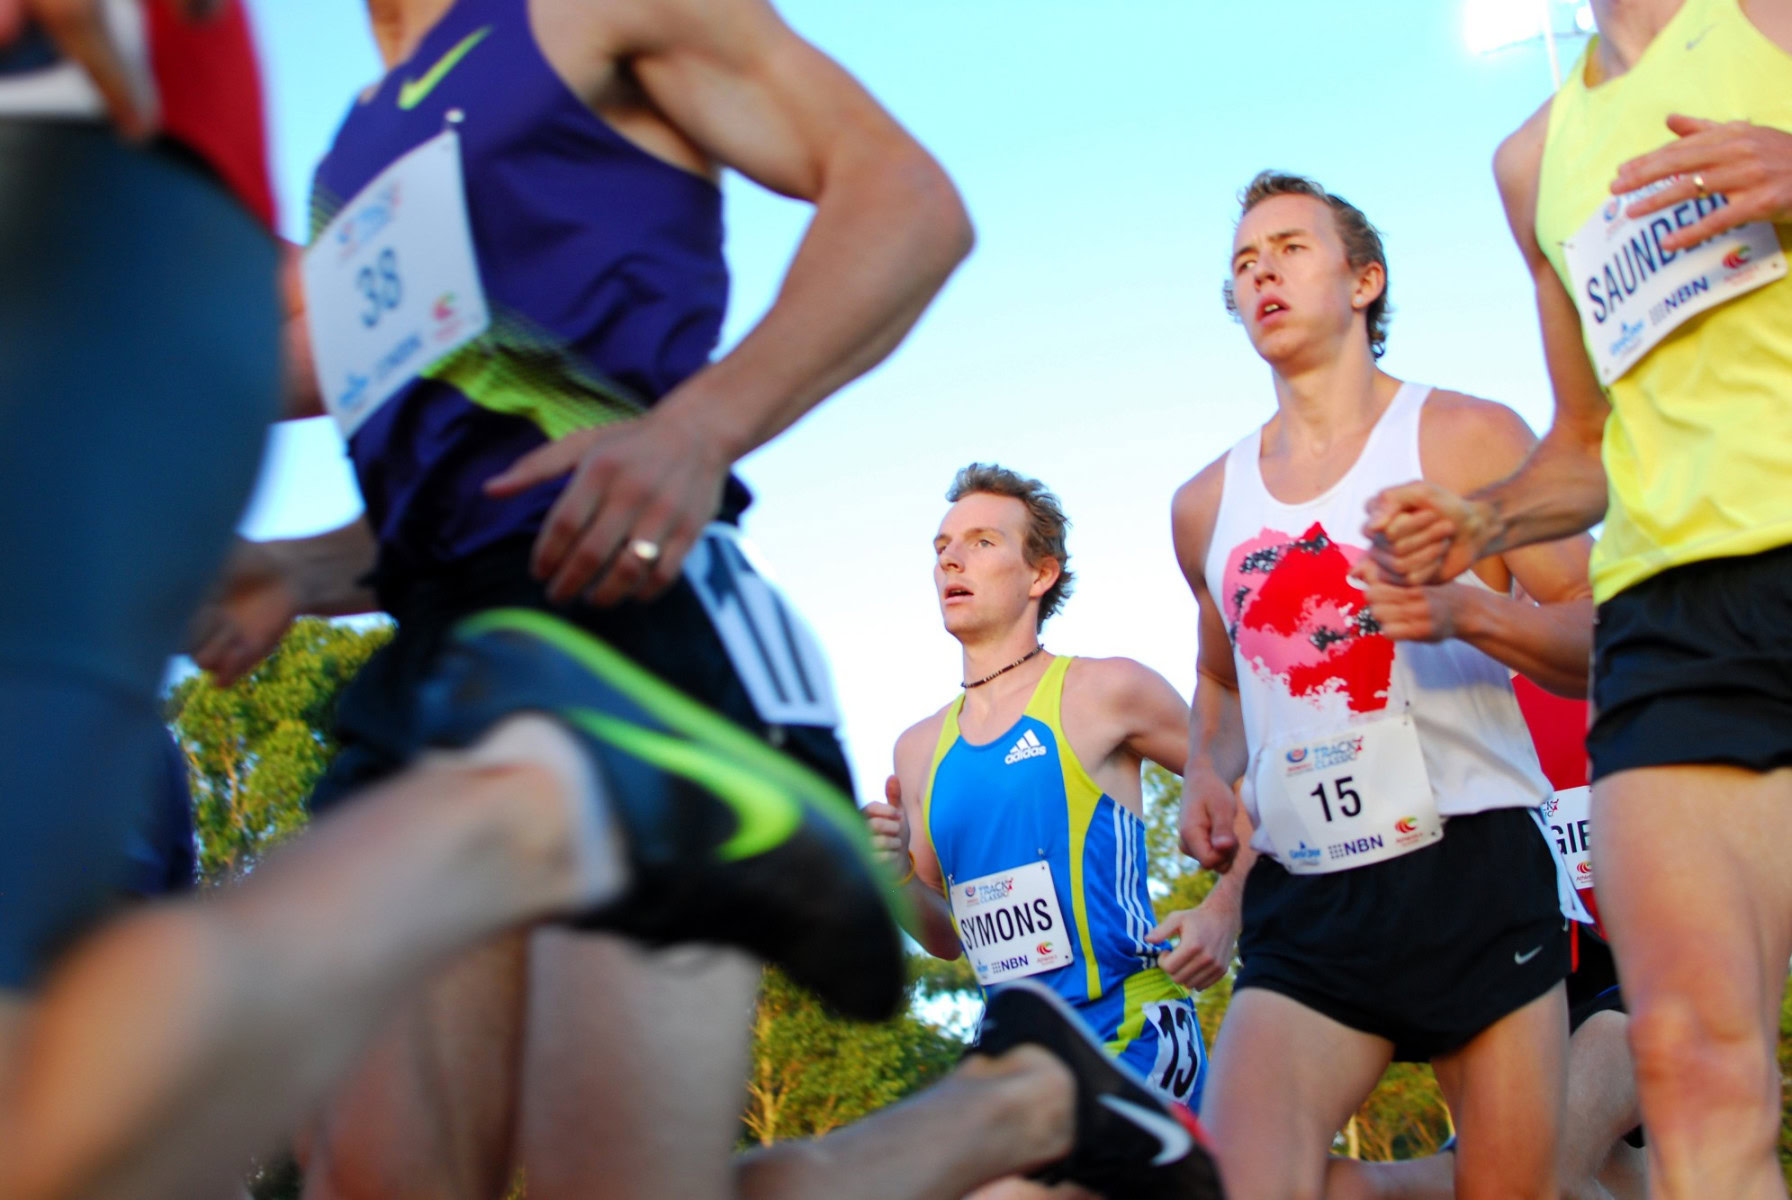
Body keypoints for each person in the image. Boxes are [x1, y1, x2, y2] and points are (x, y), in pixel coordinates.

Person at [0, 0, 958, 1196]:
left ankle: (1004, 1111)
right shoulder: (356, 138)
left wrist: (700, 428)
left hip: (640, 626)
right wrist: (301, 568)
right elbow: (451, 420)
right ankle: (1010, 1104)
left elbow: (909, 202)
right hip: (439, 658)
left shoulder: (591, 13)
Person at [1360, 3, 1792, 1195]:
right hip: (1667, 619)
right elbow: (1582, 446)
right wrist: (1483, 519)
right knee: (1689, 1054)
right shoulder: (1529, 161)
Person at [1172, 170, 1598, 1200]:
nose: (1260, 270)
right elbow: (1219, 681)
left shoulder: (1466, 436)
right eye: (1242, 261)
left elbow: (1607, 630)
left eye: (1289, 247)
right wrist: (1199, 768)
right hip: (1306, 895)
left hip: (1472, 867)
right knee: (1237, 1183)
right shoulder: (1203, 504)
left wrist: (1469, 612)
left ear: (1364, 280)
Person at [868, 463, 1234, 1197]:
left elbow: (1245, 791)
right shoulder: (917, 748)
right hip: (1014, 1053)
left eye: (979, 542)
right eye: (942, 545)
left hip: (1129, 1027)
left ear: (1040, 574)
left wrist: (1224, 911)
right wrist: (895, 876)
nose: (950, 559)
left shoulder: (1108, 690)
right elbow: (947, 937)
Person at [1323, 678, 1645, 1200]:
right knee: (1595, 1181)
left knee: (1530, 1173)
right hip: (1507, 996)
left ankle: (1381, 1184)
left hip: (1639, 985)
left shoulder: (1621, 674)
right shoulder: (1424, 710)